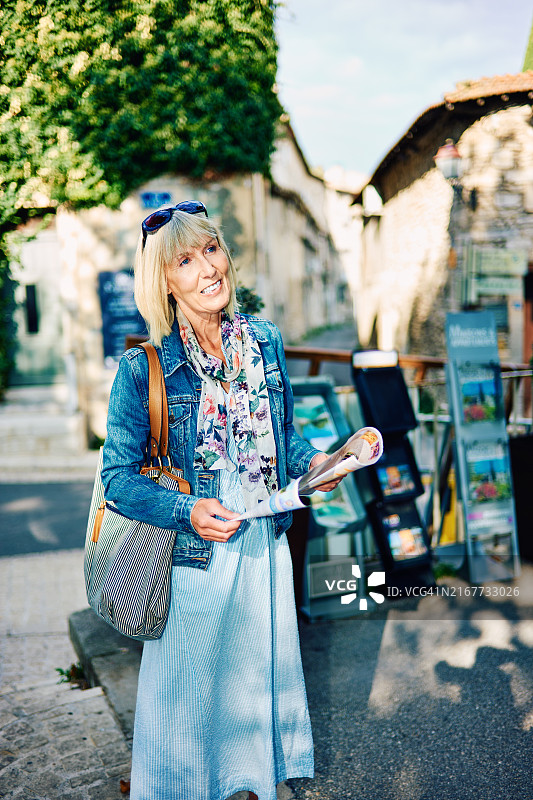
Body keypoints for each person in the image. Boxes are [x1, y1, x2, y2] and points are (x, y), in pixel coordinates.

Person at [101, 201, 342, 800]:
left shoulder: (263, 341)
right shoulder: (143, 369)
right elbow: (119, 479)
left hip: (261, 543)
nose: (208, 267)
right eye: (186, 259)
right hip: (195, 554)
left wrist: (314, 464)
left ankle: (247, 784)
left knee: (252, 684)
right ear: (164, 282)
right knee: (188, 697)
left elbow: (282, 436)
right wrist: (186, 512)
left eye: (212, 249)